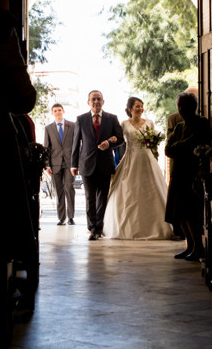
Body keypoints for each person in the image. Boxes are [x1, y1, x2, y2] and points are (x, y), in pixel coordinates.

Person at [103, 97, 174, 240]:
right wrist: (109, 142)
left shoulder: (149, 123)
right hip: (131, 158)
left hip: (147, 159)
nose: (140, 109)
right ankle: (129, 228)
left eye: (141, 106)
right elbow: (118, 138)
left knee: (152, 191)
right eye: (137, 106)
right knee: (129, 192)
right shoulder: (124, 124)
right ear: (130, 109)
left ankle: (156, 227)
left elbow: (153, 144)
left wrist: (155, 152)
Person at [165, 91, 212, 260]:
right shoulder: (179, 126)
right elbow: (168, 149)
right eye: (179, 106)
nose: (182, 109)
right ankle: (190, 245)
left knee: (191, 213)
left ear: (194, 107)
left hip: (192, 174)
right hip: (177, 173)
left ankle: (198, 247)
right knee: (179, 213)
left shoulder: (202, 123)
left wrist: (180, 146)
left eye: (185, 106)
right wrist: (183, 145)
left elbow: (196, 142)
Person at [71, 90, 123, 240]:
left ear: (103, 101)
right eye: (93, 99)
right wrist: (73, 165)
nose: (96, 101)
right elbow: (76, 144)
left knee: (102, 198)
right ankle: (91, 226)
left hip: (105, 164)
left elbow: (120, 138)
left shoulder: (111, 118)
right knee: (89, 198)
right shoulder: (81, 119)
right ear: (88, 102)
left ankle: (98, 229)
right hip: (87, 164)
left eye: (99, 99)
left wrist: (109, 142)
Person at [42, 104, 76, 225]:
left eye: (59, 110)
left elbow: (77, 145)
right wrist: (47, 165)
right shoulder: (48, 128)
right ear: (52, 113)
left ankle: (71, 217)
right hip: (55, 164)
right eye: (55, 111)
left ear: (63, 111)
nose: (57, 112)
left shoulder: (72, 125)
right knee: (59, 191)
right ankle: (62, 218)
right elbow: (46, 147)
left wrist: (76, 163)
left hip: (69, 163)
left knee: (69, 188)